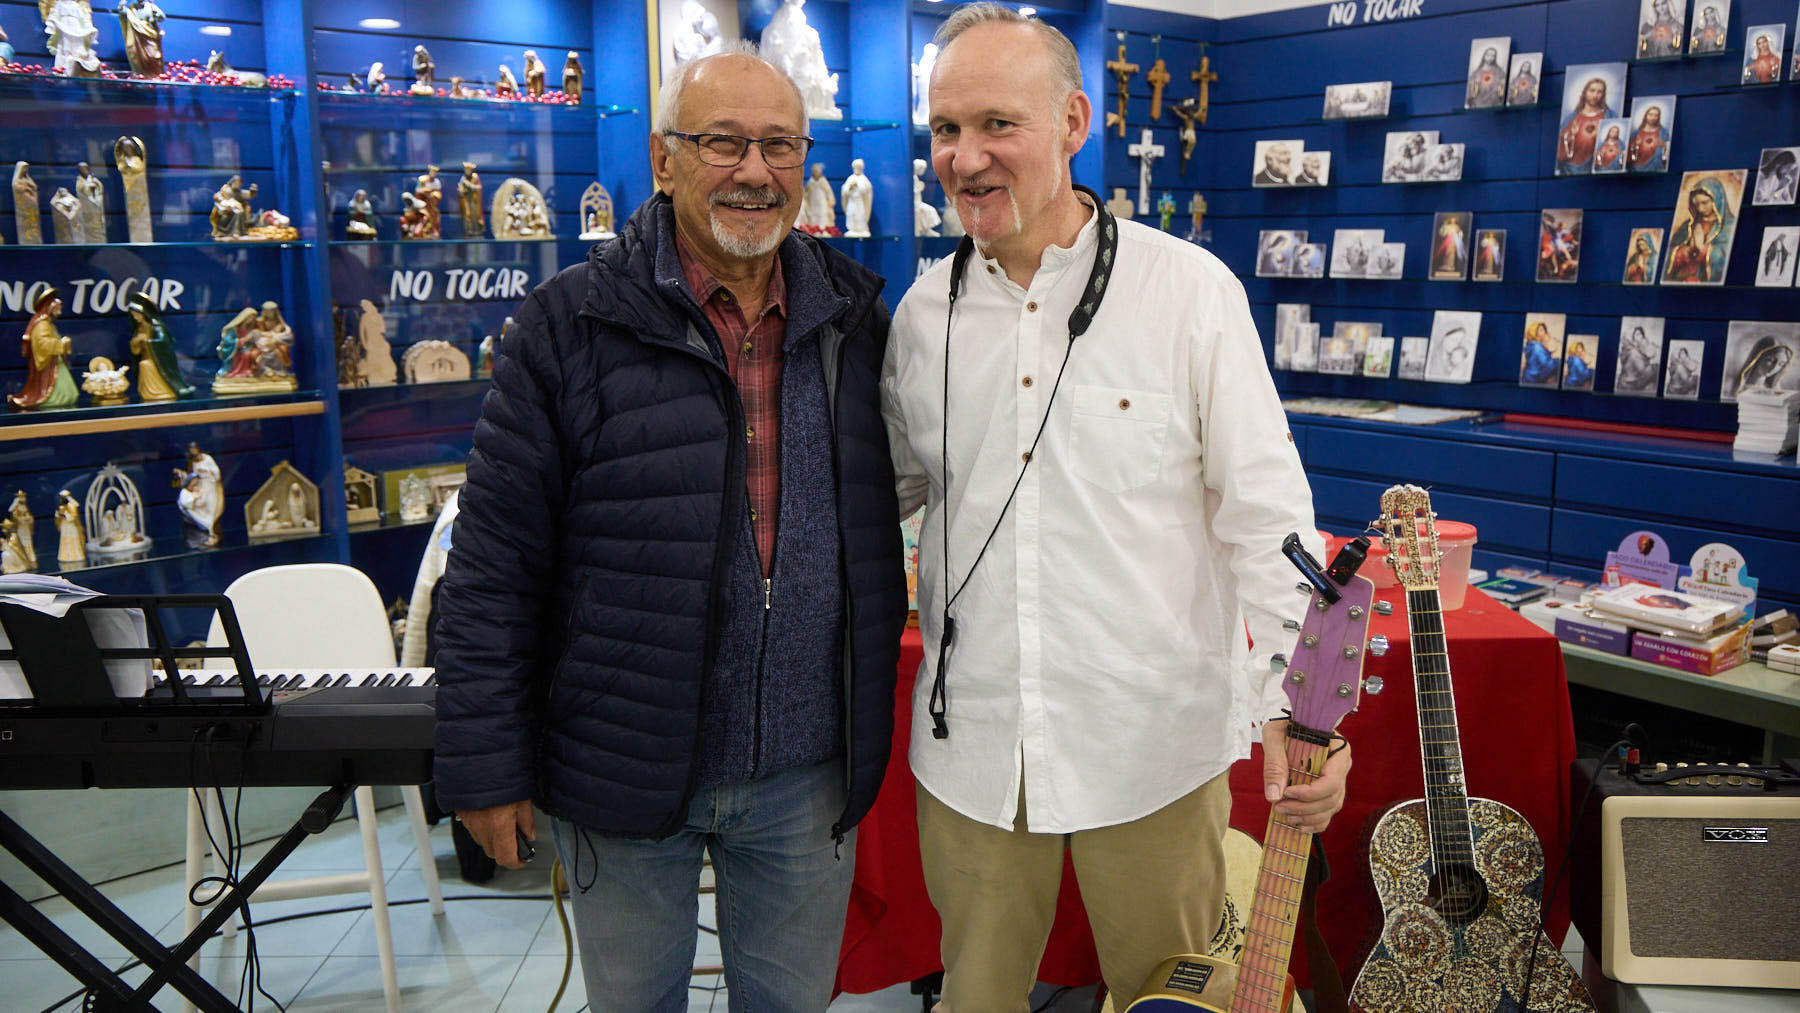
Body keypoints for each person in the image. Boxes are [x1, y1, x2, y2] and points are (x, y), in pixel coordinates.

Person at [882, 6, 1350, 1008]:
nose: (965, 157)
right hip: (974, 750)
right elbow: (886, 501)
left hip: (1151, 745)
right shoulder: (921, 318)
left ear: (1073, 120)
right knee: (976, 995)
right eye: (945, 130)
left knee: (1171, 993)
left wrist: (1295, 705)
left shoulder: (1189, 292)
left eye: (996, 124)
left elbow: (1268, 516)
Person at [431, 45, 905, 1012]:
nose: (754, 171)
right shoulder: (571, 324)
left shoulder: (856, 318)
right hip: (622, 767)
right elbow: (491, 570)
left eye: (779, 145)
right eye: (722, 141)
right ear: (663, 159)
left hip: (807, 773)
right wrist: (483, 766)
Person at [1665, 175, 1735, 284]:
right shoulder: (1688, 226)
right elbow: (1667, 253)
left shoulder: (1729, 225)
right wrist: (1683, 252)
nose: (1700, 209)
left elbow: (1727, 256)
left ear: (1717, 200)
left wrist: (1705, 250)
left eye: (1705, 202)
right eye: (1696, 204)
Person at [1556, 75, 1615, 175]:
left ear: (1603, 95)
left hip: (1599, 170)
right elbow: (1560, 148)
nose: (1595, 95)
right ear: (1585, 92)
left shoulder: (1609, 116)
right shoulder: (1572, 118)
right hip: (1572, 168)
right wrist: (1571, 136)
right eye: (1592, 90)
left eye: (1599, 92)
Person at [1627, 101, 1670, 173]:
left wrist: (1664, 145)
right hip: (1637, 166)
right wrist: (1635, 144)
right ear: (1646, 115)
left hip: (1656, 166)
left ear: (1658, 117)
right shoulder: (1636, 133)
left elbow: (1667, 150)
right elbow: (1629, 154)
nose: (1653, 118)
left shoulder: (1663, 132)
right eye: (1650, 114)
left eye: (1656, 115)